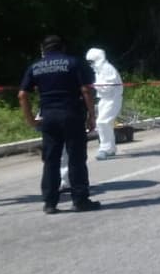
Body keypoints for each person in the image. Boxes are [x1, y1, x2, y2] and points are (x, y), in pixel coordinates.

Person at [18, 35, 101, 214]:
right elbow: (86, 90)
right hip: (72, 115)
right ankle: (80, 200)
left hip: (48, 118)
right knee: (76, 159)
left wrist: (30, 119)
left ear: (44, 49)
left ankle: (50, 203)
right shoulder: (73, 63)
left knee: (51, 160)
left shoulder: (35, 67)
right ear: (62, 48)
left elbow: (22, 95)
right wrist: (91, 116)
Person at [85, 48, 124, 160]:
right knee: (104, 124)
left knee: (102, 122)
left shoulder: (107, 69)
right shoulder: (99, 69)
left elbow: (108, 87)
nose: (90, 64)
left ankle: (105, 148)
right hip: (104, 99)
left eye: (91, 61)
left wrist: (93, 86)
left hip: (112, 99)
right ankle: (110, 148)